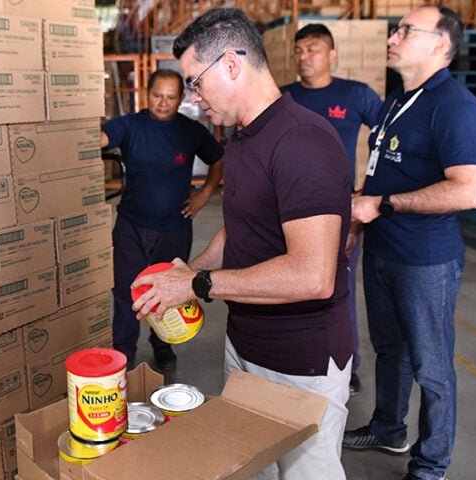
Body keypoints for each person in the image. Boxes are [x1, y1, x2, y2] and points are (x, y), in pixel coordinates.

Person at [130, 8, 353, 480]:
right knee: (258, 470)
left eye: (195, 82)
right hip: (246, 347)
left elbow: (313, 276)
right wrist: (187, 272)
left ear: (231, 64)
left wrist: (200, 285)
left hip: (300, 363)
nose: (193, 98)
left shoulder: (302, 142)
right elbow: (241, 226)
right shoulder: (244, 137)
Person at [343, 6, 476, 480]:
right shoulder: (397, 101)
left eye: (406, 30)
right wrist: (358, 225)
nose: (393, 37)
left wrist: (382, 205)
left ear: (440, 44)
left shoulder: (454, 104)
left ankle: (431, 464)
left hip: (425, 260)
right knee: (389, 349)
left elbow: (469, 190)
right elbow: (377, 174)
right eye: (396, 28)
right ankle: (388, 427)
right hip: (383, 251)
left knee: (432, 367)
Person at [280, 23, 383, 397]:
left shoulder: (355, 95)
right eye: (299, 50)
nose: (304, 57)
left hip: (339, 216)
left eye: (314, 49)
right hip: (285, 212)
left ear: (332, 54)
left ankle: (346, 363)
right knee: (287, 285)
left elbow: (388, 138)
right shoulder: (283, 97)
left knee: (338, 291)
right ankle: (292, 357)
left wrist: (365, 195)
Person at [101, 69, 224, 372]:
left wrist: (204, 195)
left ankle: (162, 345)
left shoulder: (190, 130)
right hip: (132, 226)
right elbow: (104, 138)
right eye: (157, 96)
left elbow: (219, 160)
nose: (163, 103)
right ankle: (124, 352)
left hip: (174, 229)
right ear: (147, 93)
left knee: (168, 291)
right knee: (126, 291)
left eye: (170, 97)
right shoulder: (130, 125)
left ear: (180, 99)